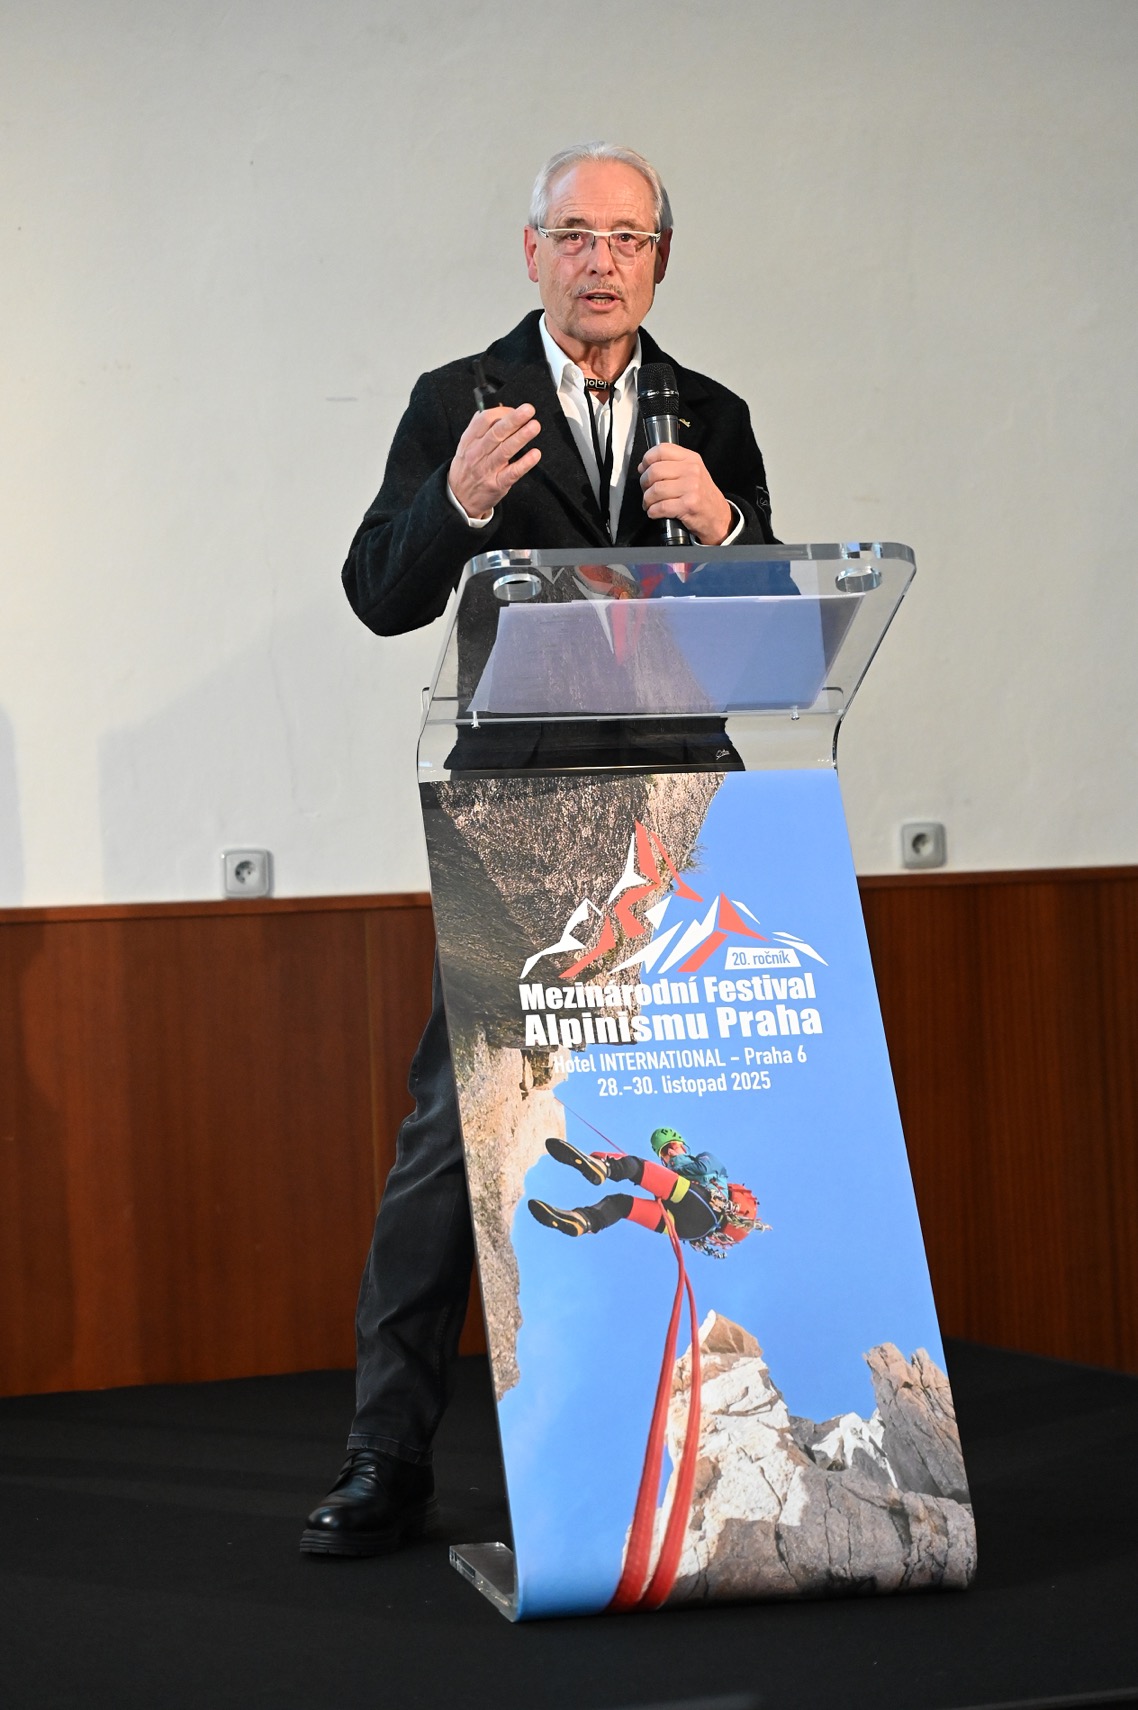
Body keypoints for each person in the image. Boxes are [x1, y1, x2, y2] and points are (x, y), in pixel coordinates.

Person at [301, 143, 777, 1558]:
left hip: (677, 814)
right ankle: (386, 1456)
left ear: (659, 260)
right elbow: (378, 593)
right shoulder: (460, 399)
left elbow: (763, 632)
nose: (598, 260)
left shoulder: (711, 414)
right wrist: (452, 502)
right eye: (573, 234)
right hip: (519, 824)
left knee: (683, 1122)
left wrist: (728, 528)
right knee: (458, 1135)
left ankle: (679, 1442)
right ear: (531, 253)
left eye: (625, 236)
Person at [529, 1128, 769, 1256]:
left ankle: (604, 1169)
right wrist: (605, 1158)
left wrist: (672, 1162)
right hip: (682, 1227)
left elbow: (699, 1169)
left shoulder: (707, 1159)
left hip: (704, 1205)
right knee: (621, 1204)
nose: (669, 1153)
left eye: (672, 1147)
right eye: (664, 1152)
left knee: (637, 1166)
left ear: (683, 1146)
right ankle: (582, 1220)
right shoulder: (673, 1173)